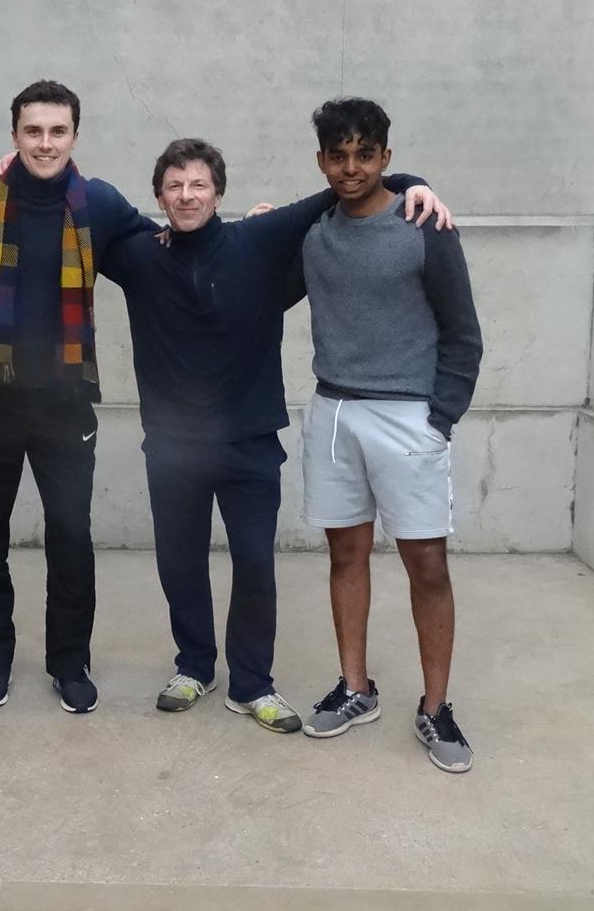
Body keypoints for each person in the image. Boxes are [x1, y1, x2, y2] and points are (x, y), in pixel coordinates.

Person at [100, 138, 447, 733]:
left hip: (250, 442)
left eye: (199, 184)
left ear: (219, 193)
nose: (187, 195)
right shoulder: (137, 255)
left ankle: (253, 683)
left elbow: (342, 187)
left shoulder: (254, 241)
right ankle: (193, 667)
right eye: (175, 186)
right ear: (158, 196)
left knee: (255, 565)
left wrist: (412, 179)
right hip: (172, 446)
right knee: (180, 564)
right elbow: (79, 206)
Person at [0, 80, 156, 713]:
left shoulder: (101, 205)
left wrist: (245, 226)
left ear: (75, 136)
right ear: (14, 135)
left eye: (58, 131)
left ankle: (69, 662)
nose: (45, 143)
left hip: (64, 408)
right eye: (33, 131)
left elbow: (167, 254)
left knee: (70, 537)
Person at [296, 98, 482, 772]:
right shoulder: (314, 234)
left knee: (426, 567)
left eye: (365, 154)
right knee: (345, 558)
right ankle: (356, 688)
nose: (351, 168)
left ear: (386, 158)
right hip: (335, 413)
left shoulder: (423, 225)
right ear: (322, 161)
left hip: (408, 418)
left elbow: (463, 333)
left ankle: (436, 708)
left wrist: (439, 420)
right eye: (338, 155)